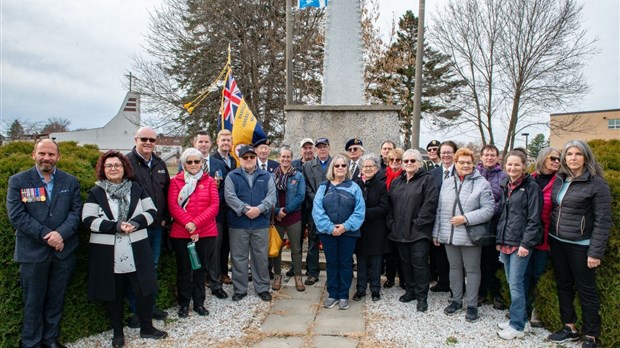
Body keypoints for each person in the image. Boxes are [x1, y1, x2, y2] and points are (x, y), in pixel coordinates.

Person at [82, 151, 168, 347]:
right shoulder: (95, 193)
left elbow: (152, 211)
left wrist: (135, 223)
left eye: (117, 165)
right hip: (108, 251)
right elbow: (88, 220)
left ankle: (147, 328)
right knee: (113, 293)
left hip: (137, 246)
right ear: (103, 170)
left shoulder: (137, 189)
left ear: (124, 168)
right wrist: (116, 226)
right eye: (109, 166)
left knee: (144, 290)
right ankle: (118, 333)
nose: (113, 168)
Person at [7, 139, 81, 348]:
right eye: (42, 153)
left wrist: (61, 235)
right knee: (33, 301)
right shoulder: (19, 181)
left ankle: (50, 339)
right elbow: (17, 216)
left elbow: (76, 213)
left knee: (56, 299)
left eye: (51, 154)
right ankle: (31, 342)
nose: (46, 158)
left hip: (63, 252)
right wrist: (49, 235)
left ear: (58, 157)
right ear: (34, 155)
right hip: (32, 253)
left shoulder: (70, 182)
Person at [547, 140, 611, 348]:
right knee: (564, 285)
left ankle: (591, 336)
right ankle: (569, 327)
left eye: (578, 154)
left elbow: (603, 220)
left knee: (586, 290)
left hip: (581, 245)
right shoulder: (560, 179)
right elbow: (555, 209)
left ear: (586, 157)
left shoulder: (596, 184)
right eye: (569, 154)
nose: (573, 158)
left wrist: (595, 252)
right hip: (557, 242)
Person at [432, 148, 494, 323]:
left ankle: (472, 305)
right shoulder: (448, 182)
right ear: (455, 163)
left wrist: (466, 218)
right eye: (461, 162)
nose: (465, 165)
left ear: (473, 164)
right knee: (454, 268)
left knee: (473, 270)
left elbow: (489, 210)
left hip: (470, 235)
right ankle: (456, 300)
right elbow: (440, 209)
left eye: (468, 162)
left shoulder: (482, 184)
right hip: (449, 235)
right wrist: (436, 233)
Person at [496, 149, 543, 340]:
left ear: (524, 166)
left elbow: (534, 219)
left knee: (515, 284)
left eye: (517, 164)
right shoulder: (505, 184)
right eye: (509, 164)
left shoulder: (532, 187)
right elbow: (503, 216)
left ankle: (517, 327)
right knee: (514, 283)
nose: (513, 167)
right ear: (504, 165)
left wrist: (526, 243)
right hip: (506, 241)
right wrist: (499, 241)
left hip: (521, 244)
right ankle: (521, 319)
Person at [168, 148, 220, 318]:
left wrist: (195, 224)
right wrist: (188, 224)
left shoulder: (210, 181)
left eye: (196, 161)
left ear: (202, 163)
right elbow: (173, 206)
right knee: (184, 270)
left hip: (206, 233)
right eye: (189, 162)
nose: (193, 165)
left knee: (201, 269)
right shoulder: (176, 181)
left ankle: (199, 303)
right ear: (183, 164)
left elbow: (214, 206)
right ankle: (184, 303)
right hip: (181, 233)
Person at [126, 126, 170, 322]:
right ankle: (136, 311)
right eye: (144, 139)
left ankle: (149, 307)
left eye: (152, 140)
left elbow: (167, 192)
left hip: (156, 227)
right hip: (135, 227)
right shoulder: (126, 163)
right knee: (135, 269)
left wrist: (165, 218)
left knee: (151, 267)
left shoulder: (160, 163)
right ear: (136, 139)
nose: (148, 143)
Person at [387, 149, 438, 312]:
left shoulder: (427, 180)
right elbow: (390, 205)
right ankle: (410, 291)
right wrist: (391, 223)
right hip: (399, 232)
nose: (409, 163)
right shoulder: (397, 182)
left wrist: (417, 223)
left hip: (418, 232)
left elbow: (430, 204)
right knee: (405, 264)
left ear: (419, 163)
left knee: (420, 265)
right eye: (406, 161)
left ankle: (422, 296)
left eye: (412, 161)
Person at [313, 154, 365, 310]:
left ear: (347, 168)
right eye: (337, 166)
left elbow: (359, 211)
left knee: (345, 263)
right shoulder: (324, 187)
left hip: (348, 233)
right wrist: (330, 228)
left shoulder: (354, 187)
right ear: (332, 168)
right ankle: (332, 294)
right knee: (332, 263)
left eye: (343, 165)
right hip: (328, 233)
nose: (341, 168)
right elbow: (317, 210)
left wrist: (345, 226)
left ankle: (343, 295)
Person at [224, 145, 276, 302]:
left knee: (260, 257)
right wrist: (246, 209)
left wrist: (259, 209)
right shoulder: (232, 176)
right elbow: (230, 196)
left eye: (251, 157)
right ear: (239, 159)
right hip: (238, 224)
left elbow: (271, 196)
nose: (248, 160)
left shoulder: (266, 176)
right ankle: (240, 289)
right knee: (238, 257)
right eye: (245, 157)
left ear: (256, 158)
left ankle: (262, 288)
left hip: (260, 223)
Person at [188, 131, 229, 299]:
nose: (203, 145)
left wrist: (212, 208)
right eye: (200, 142)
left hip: (214, 215)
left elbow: (224, 189)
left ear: (211, 144)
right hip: (193, 218)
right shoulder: (188, 162)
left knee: (214, 250)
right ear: (194, 143)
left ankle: (215, 283)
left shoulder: (219, 164)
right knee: (195, 251)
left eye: (206, 142)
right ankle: (195, 285)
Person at [525, 147, 560, 326]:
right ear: (542, 158)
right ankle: (523, 308)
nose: (556, 162)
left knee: (538, 274)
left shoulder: (560, 181)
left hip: (546, 237)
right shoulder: (530, 179)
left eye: (558, 159)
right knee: (523, 274)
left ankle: (537, 310)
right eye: (553, 158)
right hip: (526, 236)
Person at [352, 154, 388, 302]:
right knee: (361, 260)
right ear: (361, 168)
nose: (367, 169)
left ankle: (375, 289)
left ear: (376, 169)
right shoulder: (355, 184)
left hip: (376, 229)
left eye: (370, 166)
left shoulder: (381, 185)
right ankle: (360, 289)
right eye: (365, 166)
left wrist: (363, 214)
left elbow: (383, 207)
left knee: (376, 261)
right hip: (359, 229)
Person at [270, 146, 306, 291]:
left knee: (296, 248)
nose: (285, 159)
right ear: (279, 158)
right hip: (277, 218)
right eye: (283, 156)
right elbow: (269, 195)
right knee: (277, 248)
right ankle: (277, 275)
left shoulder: (298, 175)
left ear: (291, 158)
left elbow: (300, 196)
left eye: (288, 157)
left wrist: (286, 210)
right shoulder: (272, 176)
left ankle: (298, 276)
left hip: (293, 217)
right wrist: (277, 211)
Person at [477, 144, 508, 310]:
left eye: (492, 155)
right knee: (479, 261)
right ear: (481, 157)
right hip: (476, 226)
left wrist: (487, 211)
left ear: (498, 157)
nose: (489, 157)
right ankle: (481, 293)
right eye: (486, 155)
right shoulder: (474, 174)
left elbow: (503, 200)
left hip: (495, 224)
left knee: (495, 262)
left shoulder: (504, 176)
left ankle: (496, 293)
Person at [302, 137, 332, 285]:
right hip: (314, 210)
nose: (322, 149)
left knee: (331, 242)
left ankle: (333, 272)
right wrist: (317, 200)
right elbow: (306, 186)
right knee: (313, 242)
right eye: (319, 147)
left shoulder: (336, 164)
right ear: (316, 149)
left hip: (332, 210)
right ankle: (313, 272)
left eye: (324, 146)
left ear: (329, 148)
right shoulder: (307, 166)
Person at [428, 140, 458, 293]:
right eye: (443, 152)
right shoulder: (433, 173)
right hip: (438, 219)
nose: (446, 155)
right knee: (439, 253)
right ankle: (443, 282)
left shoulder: (460, 172)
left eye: (449, 152)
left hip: (456, 220)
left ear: (455, 154)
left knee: (455, 258)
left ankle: (458, 287)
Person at [212, 129, 235, 285]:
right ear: (217, 142)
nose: (226, 143)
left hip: (229, 209)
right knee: (216, 244)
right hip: (216, 208)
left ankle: (223, 272)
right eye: (223, 140)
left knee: (226, 242)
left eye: (228, 140)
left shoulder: (233, 161)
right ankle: (212, 274)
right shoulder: (212, 160)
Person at [287, 138, 314, 277]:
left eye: (310, 147)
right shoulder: (294, 165)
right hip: (298, 208)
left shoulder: (317, 164)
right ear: (301, 150)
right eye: (305, 148)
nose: (308, 150)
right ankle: (294, 266)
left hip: (312, 207)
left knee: (313, 239)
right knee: (296, 239)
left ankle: (311, 268)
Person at [383, 148, 405, 289]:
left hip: (402, 218)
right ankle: (390, 278)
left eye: (398, 160)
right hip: (386, 217)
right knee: (389, 252)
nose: (395, 162)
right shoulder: (382, 175)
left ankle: (403, 280)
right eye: (392, 160)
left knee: (402, 253)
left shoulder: (406, 176)